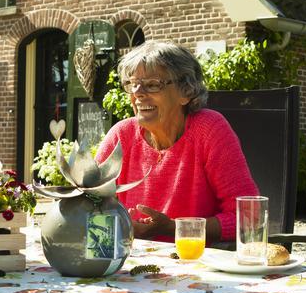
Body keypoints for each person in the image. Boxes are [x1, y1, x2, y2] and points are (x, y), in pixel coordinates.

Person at [95, 40, 258, 242]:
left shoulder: (209, 130)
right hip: (129, 262)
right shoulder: (121, 135)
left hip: (197, 265)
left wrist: (173, 228)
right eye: (132, 84)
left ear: (186, 92)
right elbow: (89, 203)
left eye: (153, 85)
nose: (137, 93)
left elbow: (249, 218)